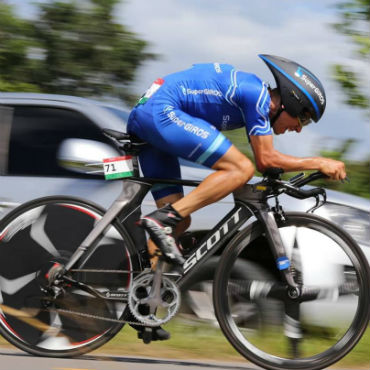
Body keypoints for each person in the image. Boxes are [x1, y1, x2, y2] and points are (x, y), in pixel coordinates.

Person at [126, 55, 346, 340]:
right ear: (289, 101)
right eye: (303, 117)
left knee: (178, 224)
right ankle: (165, 218)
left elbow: (271, 162)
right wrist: (318, 162)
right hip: (162, 111)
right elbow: (265, 160)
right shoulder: (257, 97)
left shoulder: (254, 100)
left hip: (151, 114)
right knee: (241, 168)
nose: (300, 128)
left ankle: (142, 303)